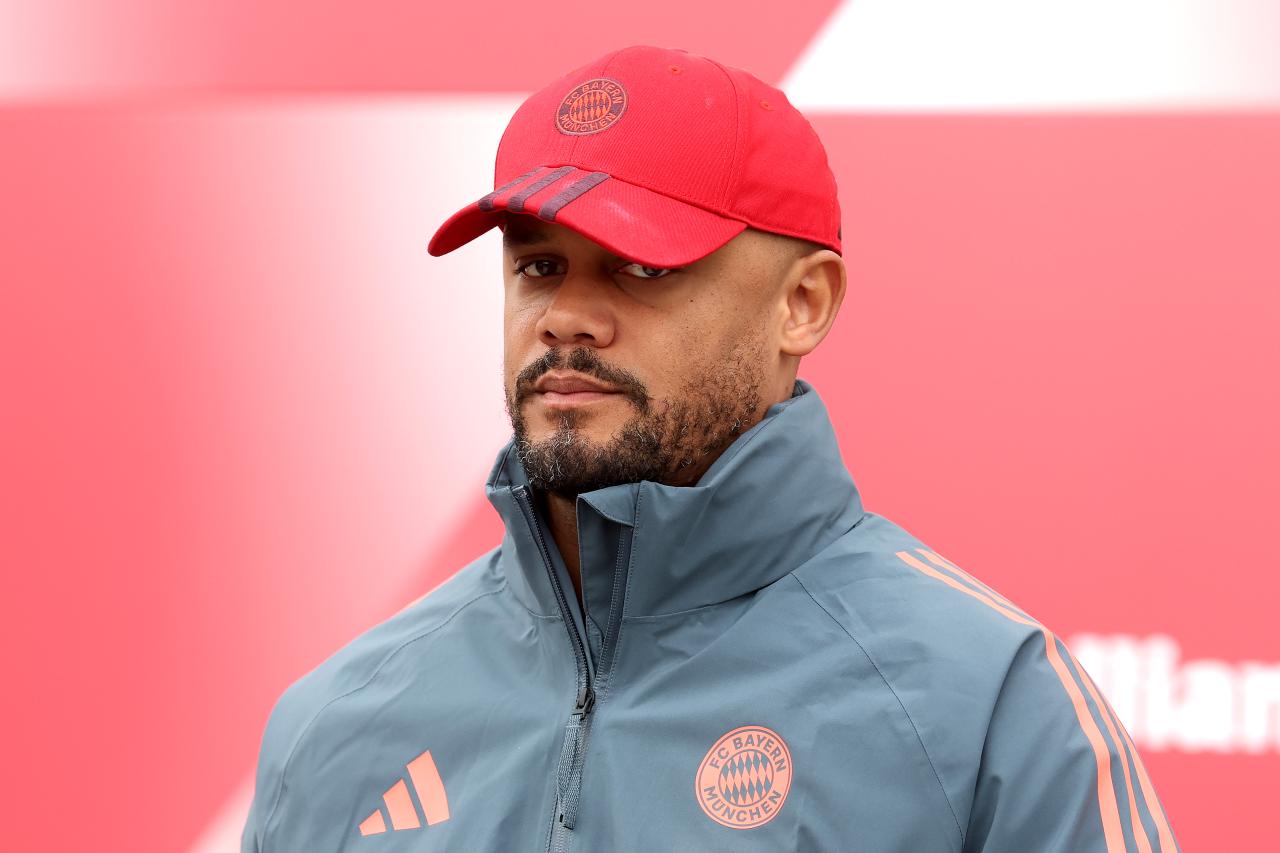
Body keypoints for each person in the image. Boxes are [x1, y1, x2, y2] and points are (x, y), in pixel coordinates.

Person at [242, 45, 1179, 852]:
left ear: (802, 303)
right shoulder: (335, 725)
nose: (565, 316)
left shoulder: (988, 710)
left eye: (641, 265)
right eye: (538, 264)